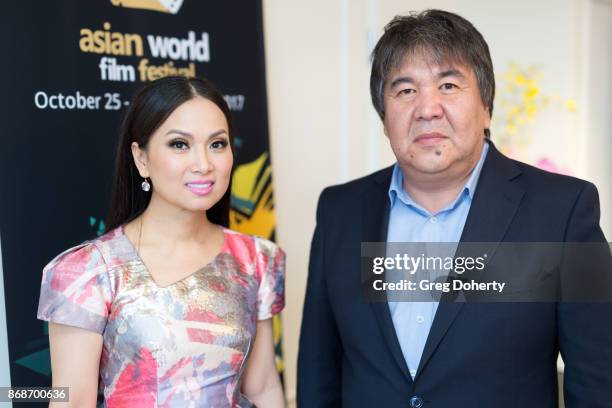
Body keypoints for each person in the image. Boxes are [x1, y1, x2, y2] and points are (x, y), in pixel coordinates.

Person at [297, 9, 612, 408]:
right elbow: (318, 373)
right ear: (383, 116)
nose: (427, 108)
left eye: (448, 84)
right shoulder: (339, 211)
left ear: (486, 107)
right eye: (405, 90)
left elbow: (598, 380)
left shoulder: (562, 212)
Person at [37, 76, 286, 407]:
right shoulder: (87, 272)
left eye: (217, 144)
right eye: (179, 144)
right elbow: (72, 401)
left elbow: (263, 386)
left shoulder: (256, 258)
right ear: (141, 158)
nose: (204, 164)